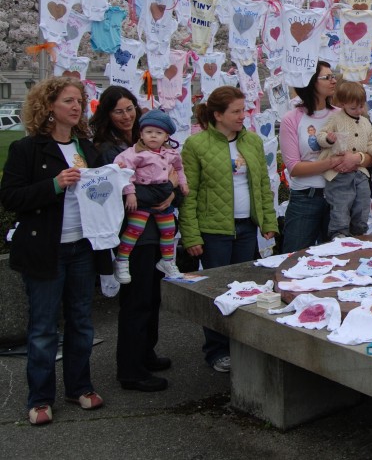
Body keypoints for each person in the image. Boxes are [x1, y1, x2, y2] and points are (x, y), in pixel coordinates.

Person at [0, 77, 105, 425]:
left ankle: (79, 387)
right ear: (48, 107)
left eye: (79, 100)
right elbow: (11, 197)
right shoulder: (27, 149)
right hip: (46, 249)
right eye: (68, 101)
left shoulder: (87, 148)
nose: (76, 106)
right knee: (44, 329)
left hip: (82, 248)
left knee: (81, 323)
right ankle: (40, 398)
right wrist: (54, 185)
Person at [179, 86, 279, 373]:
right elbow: (190, 194)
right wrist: (192, 236)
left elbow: (262, 185)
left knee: (246, 289)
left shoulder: (252, 142)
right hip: (214, 231)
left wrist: (268, 222)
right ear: (217, 115)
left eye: (243, 109)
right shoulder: (196, 145)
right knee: (216, 291)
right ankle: (217, 350)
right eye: (235, 111)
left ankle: (242, 345)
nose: (242, 116)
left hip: (246, 227)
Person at [91, 87, 173, 393]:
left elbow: (169, 176)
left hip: (154, 233)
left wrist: (171, 191)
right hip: (132, 233)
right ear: (107, 115)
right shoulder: (109, 149)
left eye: (130, 110)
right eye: (118, 111)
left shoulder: (147, 139)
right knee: (136, 301)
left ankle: (145, 352)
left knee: (151, 297)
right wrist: (164, 194)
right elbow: (129, 190)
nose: (126, 117)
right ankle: (131, 369)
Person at [279, 61, 348, 252]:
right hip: (305, 199)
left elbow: (361, 148)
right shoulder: (292, 118)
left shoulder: (341, 115)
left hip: (339, 197)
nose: (333, 81)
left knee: (338, 259)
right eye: (327, 77)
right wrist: (331, 162)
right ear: (310, 82)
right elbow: (294, 168)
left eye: (333, 76)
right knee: (294, 258)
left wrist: (358, 157)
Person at [112, 109, 187, 283]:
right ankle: (122, 260)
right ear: (141, 134)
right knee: (135, 229)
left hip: (164, 198)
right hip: (143, 198)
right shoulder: (134, 153)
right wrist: (130, 193)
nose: (153, 136)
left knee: (169, 230)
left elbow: (179, 169)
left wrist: (182, 183)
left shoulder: (171, 154)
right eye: (149, 132)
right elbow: (124, 173)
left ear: (166, 136)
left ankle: (167, 261)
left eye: (159, 133)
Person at [317, 81, 372, 238]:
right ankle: (339, 233)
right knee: (341, 204)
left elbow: (369, 143)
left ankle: (359, 231)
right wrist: (329, 139)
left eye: (361, 106)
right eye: (353, 108)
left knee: (363, 202)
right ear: (343, 104)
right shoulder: (336, 119)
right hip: (339, 174)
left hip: (360, 173)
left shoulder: (365, 122)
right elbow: (321, 136)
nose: (358, 111)